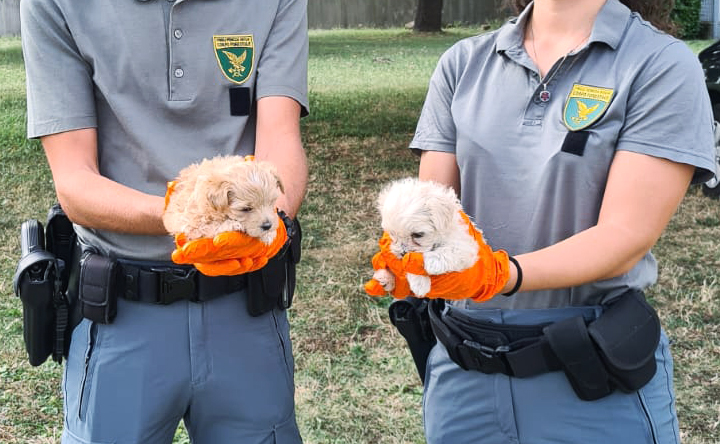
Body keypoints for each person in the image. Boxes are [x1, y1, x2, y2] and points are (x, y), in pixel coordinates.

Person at [368, 0, 717, 443]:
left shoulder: (659, 64)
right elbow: (431, 211)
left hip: (590, 378)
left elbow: (624, 236)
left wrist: (499, 275)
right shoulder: (462, 63)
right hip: (462, 371)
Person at [20, 0, 308, 442]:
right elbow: (75, 183)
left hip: (246, 304)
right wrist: (197, 223)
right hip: (121, 313)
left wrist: (268, 223)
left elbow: (280, 141)